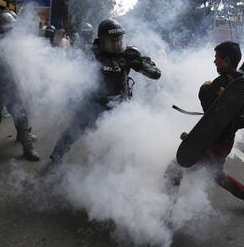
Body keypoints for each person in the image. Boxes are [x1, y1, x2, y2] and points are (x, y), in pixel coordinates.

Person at [45, 18, 161, 171]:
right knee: (73, 131)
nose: (116, 44)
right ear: (101, 41)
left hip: (120, 105)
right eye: (111, 41)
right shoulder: (91, 53)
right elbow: (72, 77)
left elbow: (156, 74)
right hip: (94, 104)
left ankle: (126, 169)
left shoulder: (129, 54)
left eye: (119, 40)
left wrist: (143, 62)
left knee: (127, 137)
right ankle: (56, 158)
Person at [164, 41, 244, 207]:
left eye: (217, 58)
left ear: (226, 61)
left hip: (213, 143)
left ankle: (166, 212)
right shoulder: (236, 81)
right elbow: (239, 76)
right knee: (217, 175)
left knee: (175, 169)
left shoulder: (220, 82)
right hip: (225, 142)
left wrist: (204, 87)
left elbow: (208, 105)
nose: (214, 61)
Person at [0, 12, 40, 168]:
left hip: (11, 86)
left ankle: (27, 146)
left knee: (21, 116)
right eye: (9, 28)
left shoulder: (11, 43)